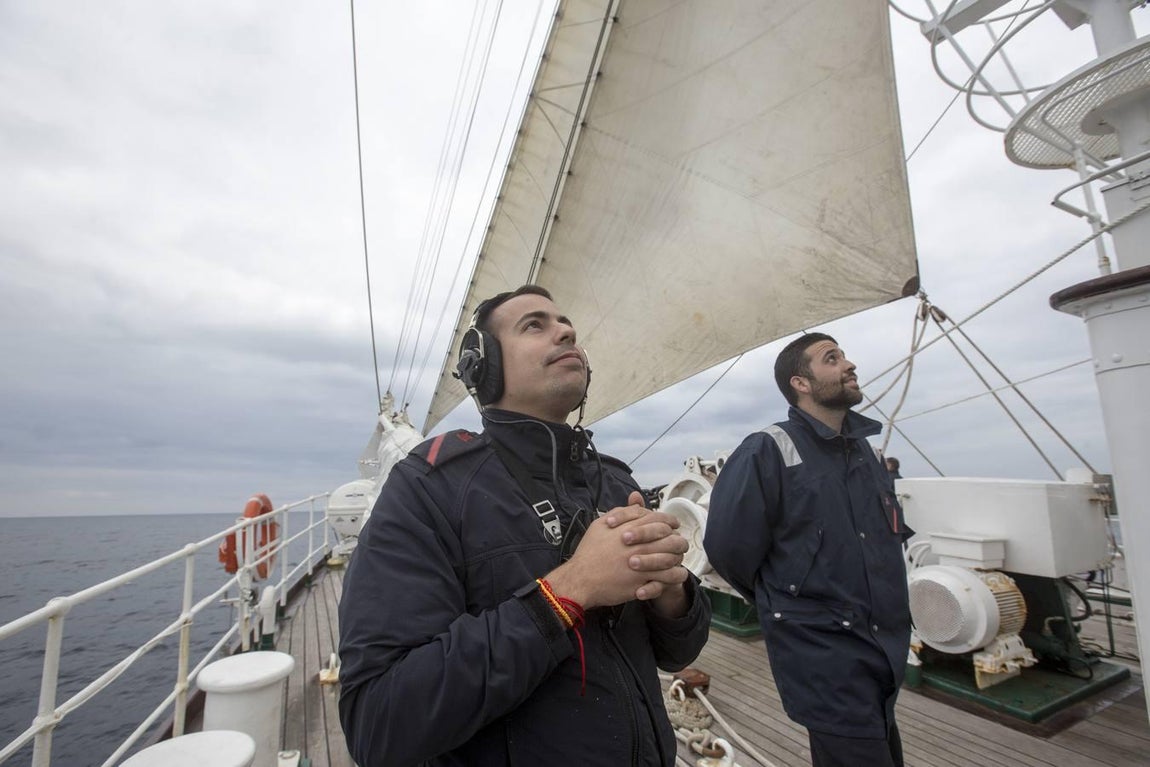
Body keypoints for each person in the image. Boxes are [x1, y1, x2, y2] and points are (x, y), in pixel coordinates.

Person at [338, 284, 711, 766]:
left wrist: (672, 593)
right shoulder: (429, 490)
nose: (566, 333)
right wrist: (569, 590)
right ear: (484, 365)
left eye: (567, 326)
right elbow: (378, 722)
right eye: (535, 325)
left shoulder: (615, 481)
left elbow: (677, 653)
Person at [703, 333, 912, 767]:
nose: (849, 364)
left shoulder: (865, 453)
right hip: (825, 654)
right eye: (832, 358)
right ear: (800, 383)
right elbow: (726, 549)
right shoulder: (767, 450)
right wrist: (784, 604)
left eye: (844, 355)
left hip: (883, 650)